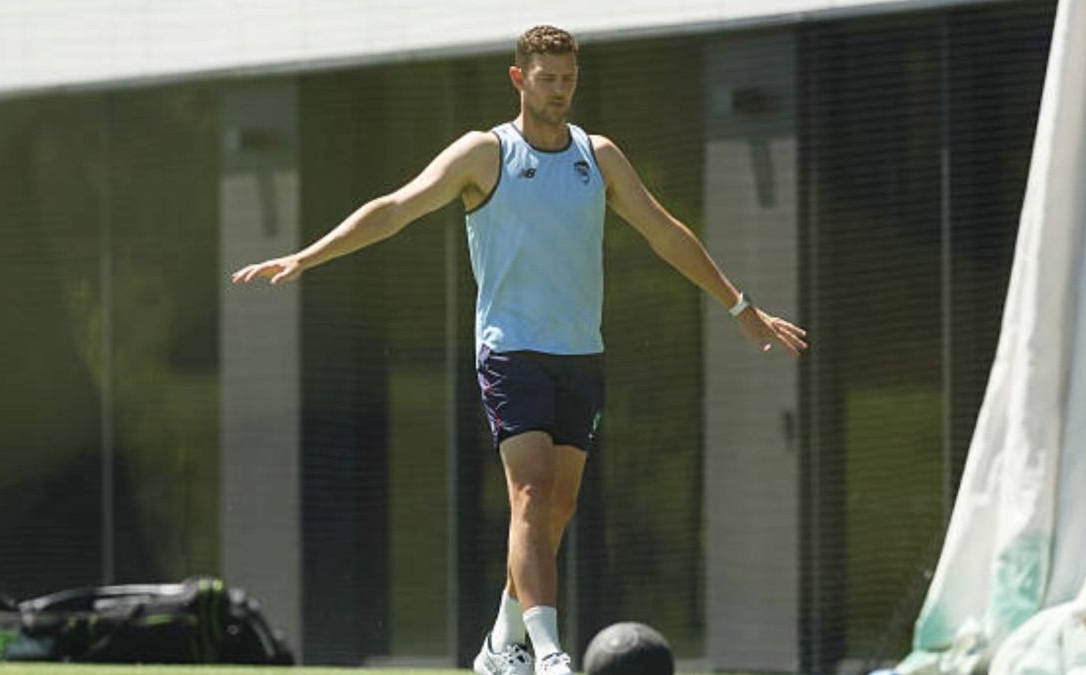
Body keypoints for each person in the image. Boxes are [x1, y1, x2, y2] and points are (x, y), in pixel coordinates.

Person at [232, 24, 808, 675]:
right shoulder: (486, 154)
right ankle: (549, 651)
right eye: (548, 79)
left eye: (569, 80)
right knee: (531, 493)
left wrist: (740, 306)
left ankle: (498, 643)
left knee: (554, 510)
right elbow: (396, 207)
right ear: (519, 78)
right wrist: (307, 257)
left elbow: (664, 232)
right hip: (511, 354)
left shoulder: (600, 156)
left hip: (580, 356)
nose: (560, 91)